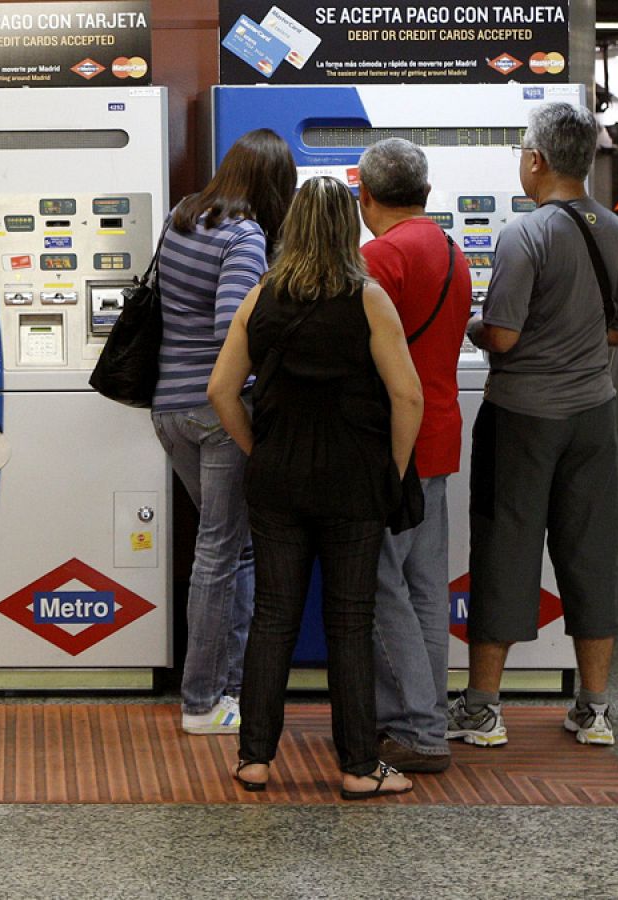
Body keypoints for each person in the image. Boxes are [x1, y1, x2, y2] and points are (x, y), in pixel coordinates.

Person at [208, 176, 424, 798]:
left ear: (295, 226)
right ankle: (359, 767)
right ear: (347, 227)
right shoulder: (369, 299)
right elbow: (409, 395)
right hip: (354, 480)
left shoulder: (262, 297)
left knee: (274, 617)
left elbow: (221, 391)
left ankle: (254, 759)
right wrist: (394, 467)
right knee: (350, 623)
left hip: (278, 479)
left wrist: (260, 450)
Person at [448, 102, 618, 749]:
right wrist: (580, 340)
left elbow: (501, 334)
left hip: (523, 418)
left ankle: (483, 710)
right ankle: (594, 710)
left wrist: (473, 325)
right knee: (592, 553)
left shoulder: (524, 235)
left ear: (535, 159)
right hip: (593, 413)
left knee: (506, 548)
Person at [152, 127, 295, 735]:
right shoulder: (244, 237)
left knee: (230, 548)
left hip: (170, 411)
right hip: (217, 413)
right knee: (220, 552)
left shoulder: (183, 217)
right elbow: (231, 331)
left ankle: (227, 687)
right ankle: (202, 700)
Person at [355, 139, 473, 774]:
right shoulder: (453, 251)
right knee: (427, 589)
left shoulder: (379, 256)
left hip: (391, 443)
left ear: (365, 196)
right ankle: (428, 717)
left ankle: (413, 727)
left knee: (382, 584)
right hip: (440, 435)